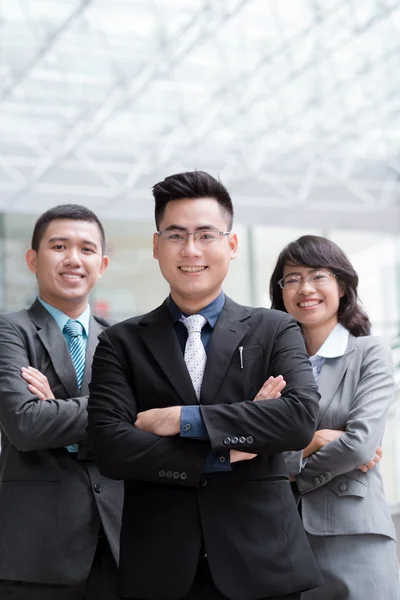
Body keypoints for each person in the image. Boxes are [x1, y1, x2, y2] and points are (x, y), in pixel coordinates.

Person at [87, 170, 323, 600]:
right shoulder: (120, 342)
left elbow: (297, 420)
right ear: (157, 247)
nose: (191, 249)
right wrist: (227, 450)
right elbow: (110, 446)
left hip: (263, 563)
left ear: (231, 245)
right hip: (160, 569)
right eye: (176, 235)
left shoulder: (275, 329)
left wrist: (184, 420)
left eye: (205, 235)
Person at [0, 205, 123, 600]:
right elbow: (26, 424)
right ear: (33, 259)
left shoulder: (122, 342)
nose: (73, 259)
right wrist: (114, 413)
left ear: (101, 265)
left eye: (87, 249)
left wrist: (58, 409)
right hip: (36, 552)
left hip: (118, 545)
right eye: (59, 246)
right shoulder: (9, 331)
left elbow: (141, 435)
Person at [269, 234, 400, 600]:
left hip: (355, 538)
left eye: (317, 276)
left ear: (342, 285)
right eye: (292, 278)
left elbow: (359, 446)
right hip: (282, 538)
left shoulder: (369, 353)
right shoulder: (270, 366)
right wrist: (318, 439)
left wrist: (287, 467)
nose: (305, 288)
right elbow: (251, 447)